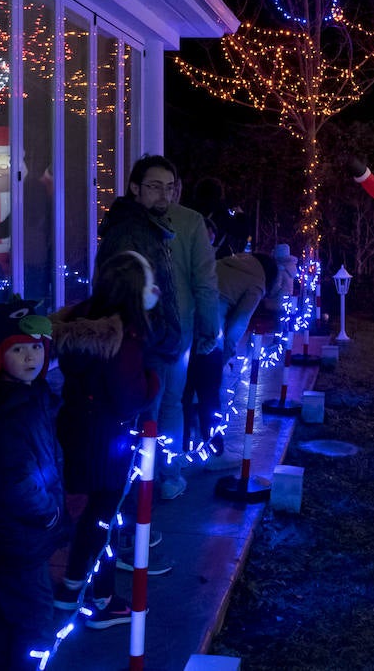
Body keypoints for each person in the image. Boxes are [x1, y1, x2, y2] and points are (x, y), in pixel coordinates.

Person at [52, 250, 163, 627]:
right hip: (109, 441)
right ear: (133, 292)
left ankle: (85, 591)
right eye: (148, 283)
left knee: (96, 517)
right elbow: (129, 396)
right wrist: (153, 381)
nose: (155, 290)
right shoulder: (123, 338)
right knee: (104, 518)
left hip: (79, 431)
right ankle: (89, 597)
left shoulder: (82, 326)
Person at [97, 154, 218, 501]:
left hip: (163, 332)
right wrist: (210, 330)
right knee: (166, 404)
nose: (164, 195)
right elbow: (204, 282)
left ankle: (147, 477)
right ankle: (162, 476)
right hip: (158, 333)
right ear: (136, 187)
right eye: (154, 187)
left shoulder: (138, 222)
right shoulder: (176, 224)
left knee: (153, 404)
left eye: (170, 187)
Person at [0, 298, 67, 670]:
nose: (30, 357)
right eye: (17, 349)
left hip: (7, 536)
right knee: (34, 616)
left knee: (4, 609)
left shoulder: (27, 396)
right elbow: (13, 479)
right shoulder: (3, 411)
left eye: (36, 347)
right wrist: (49, 512)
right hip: (19, 534)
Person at [182, 251, 282, 461]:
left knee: (184, 386)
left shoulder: (230, 262)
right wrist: (224, 356)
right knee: (210, 389)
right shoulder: (257, 284)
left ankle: (182, 445)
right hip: (209, 326)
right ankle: (215, 451)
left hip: (184, 317)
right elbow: (239, 324)